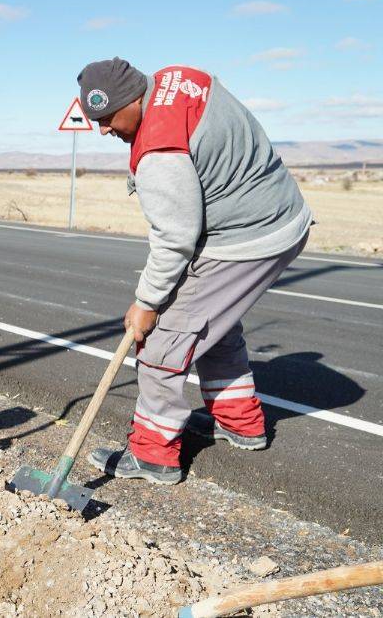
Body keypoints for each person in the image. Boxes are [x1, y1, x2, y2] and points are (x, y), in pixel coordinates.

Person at [77, 57, 312, 484]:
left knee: (166, 336)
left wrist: (147, 303)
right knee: (210, 323)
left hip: (246, 235)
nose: (105, 130)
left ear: (132, 99)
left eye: (108, 118)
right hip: (280, 215)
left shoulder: (158, 150)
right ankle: (241, 422)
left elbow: (175, 239)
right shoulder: (182, 78)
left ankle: (153, 454)